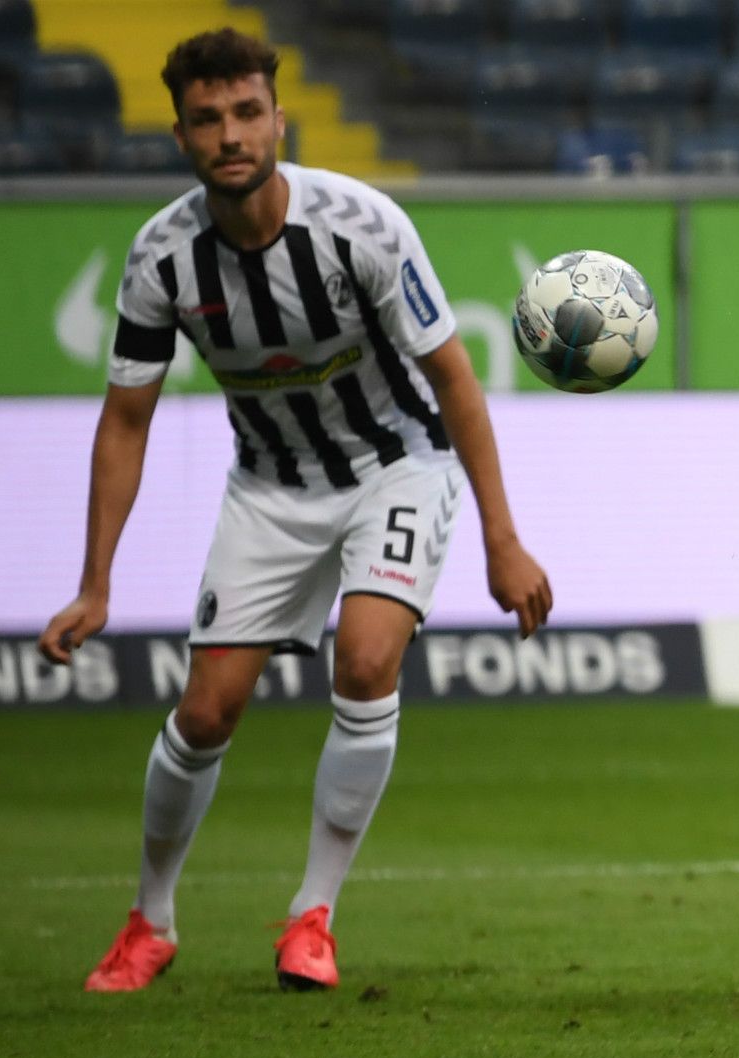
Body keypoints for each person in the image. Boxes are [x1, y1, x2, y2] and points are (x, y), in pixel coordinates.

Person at [39, 28, 552, 993]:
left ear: (279, 119)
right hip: (270, 488)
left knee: (364, 662)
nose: (230, 135)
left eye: (246, 113)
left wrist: (504, 539)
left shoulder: (362, 226)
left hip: (397, 467)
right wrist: (94, 585)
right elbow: (125, 421)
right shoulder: (162, 258)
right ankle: (150, 921)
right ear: (182, 137)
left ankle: (312, 917)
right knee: (205, 713)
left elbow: (454, 379)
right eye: (207, 120)